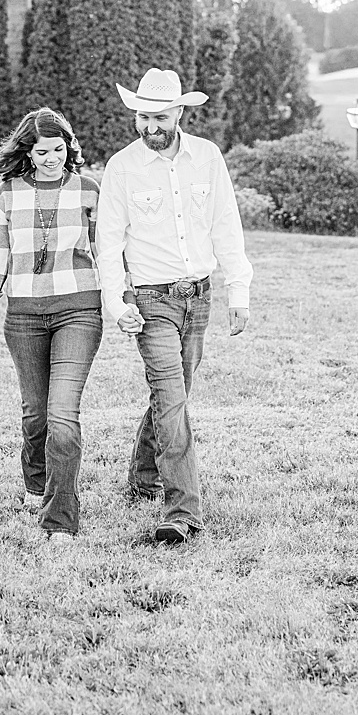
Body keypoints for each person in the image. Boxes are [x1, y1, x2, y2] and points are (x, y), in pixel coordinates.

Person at [95, 67, 252, 545]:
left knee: (174, 394)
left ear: (180, 113)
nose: (149, 128)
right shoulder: (122, 166)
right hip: (150, 299)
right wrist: (115, 300)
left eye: (159, 117)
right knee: (172, 397)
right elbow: (108, 240)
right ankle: (182, 511)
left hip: (199, 297)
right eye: (142, 118)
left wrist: (238, 289)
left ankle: (142, 475)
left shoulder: (207, 157)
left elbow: (226, 223)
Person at [0, 108, 104, 547]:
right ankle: (35, 483)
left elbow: (108, 250)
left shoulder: (89, 190)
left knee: (63, 415)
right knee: (36, 414)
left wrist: (123, 299)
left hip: (79, 310)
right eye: (42, 151)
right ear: (27, 152)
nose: (52, 158)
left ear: (70, 149)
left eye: (59, 149)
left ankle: (60, 519)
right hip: (24, 316)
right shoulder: (8, 193)